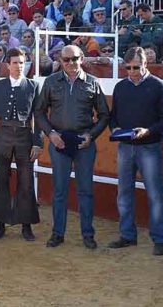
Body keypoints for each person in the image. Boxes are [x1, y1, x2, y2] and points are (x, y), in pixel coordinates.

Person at [34, 45, 110, 249]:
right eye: (66, 60)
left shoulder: (93, 83)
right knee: (60, 190)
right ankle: (58, 233)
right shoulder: (51, 82)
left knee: (85, 190)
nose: (70, 63)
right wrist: (51, 134)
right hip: (59, 141)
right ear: (60, 60)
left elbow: (104, 115)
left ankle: (88, 234)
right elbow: (39, 112)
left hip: (83, 142)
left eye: (74, 59)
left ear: (82, 58)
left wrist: (91, 136)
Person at [108, 46, 163, 256]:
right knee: (124, 193)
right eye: (128, 68)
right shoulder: (120, 87)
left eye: (136, 67)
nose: (132, 71)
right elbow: (113, 115)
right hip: (126, 146)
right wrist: (114, 128)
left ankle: (159, 239)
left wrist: (148, 131)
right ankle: (127, 235)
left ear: (145, 64)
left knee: (154, 194)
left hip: (149, 146)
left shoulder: (158, 86)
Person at [0, 48, 43, 241]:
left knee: (26, 182)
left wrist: (37, 143)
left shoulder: (33, 86)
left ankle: (26, 226)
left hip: (25, 136)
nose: (19, 66)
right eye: (15, 63)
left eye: (22, 63)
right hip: (3, 135)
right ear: (7, 65)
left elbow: (38, 117)